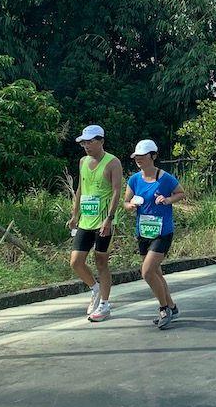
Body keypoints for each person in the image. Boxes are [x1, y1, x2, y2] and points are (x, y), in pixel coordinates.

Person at [123, 139, 185, 329]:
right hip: (143, 231)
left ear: (153, 156)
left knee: (147, 271)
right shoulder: (134, 179)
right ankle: (173, 307)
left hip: (162, 231)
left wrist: (167, 200)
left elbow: (181, 193)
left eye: (143, 156)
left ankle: (164, 308)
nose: (139, 160)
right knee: (156, 272)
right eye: (137, 157)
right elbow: (125, 202)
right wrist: (130, 205)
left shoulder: (165, 178)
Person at [66, 125, 123, 322]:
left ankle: (105, 305)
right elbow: (81, 189)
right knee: (76, 261)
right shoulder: (83, 161)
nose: (86, 146)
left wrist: (109, 218)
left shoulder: (113, 162)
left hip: (103, 222)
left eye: (90, 142)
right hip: (85, 220)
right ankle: (95, 289)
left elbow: (117, 191)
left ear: (101, 141)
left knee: (101, 261)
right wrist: (74, 215)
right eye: (84, 142)